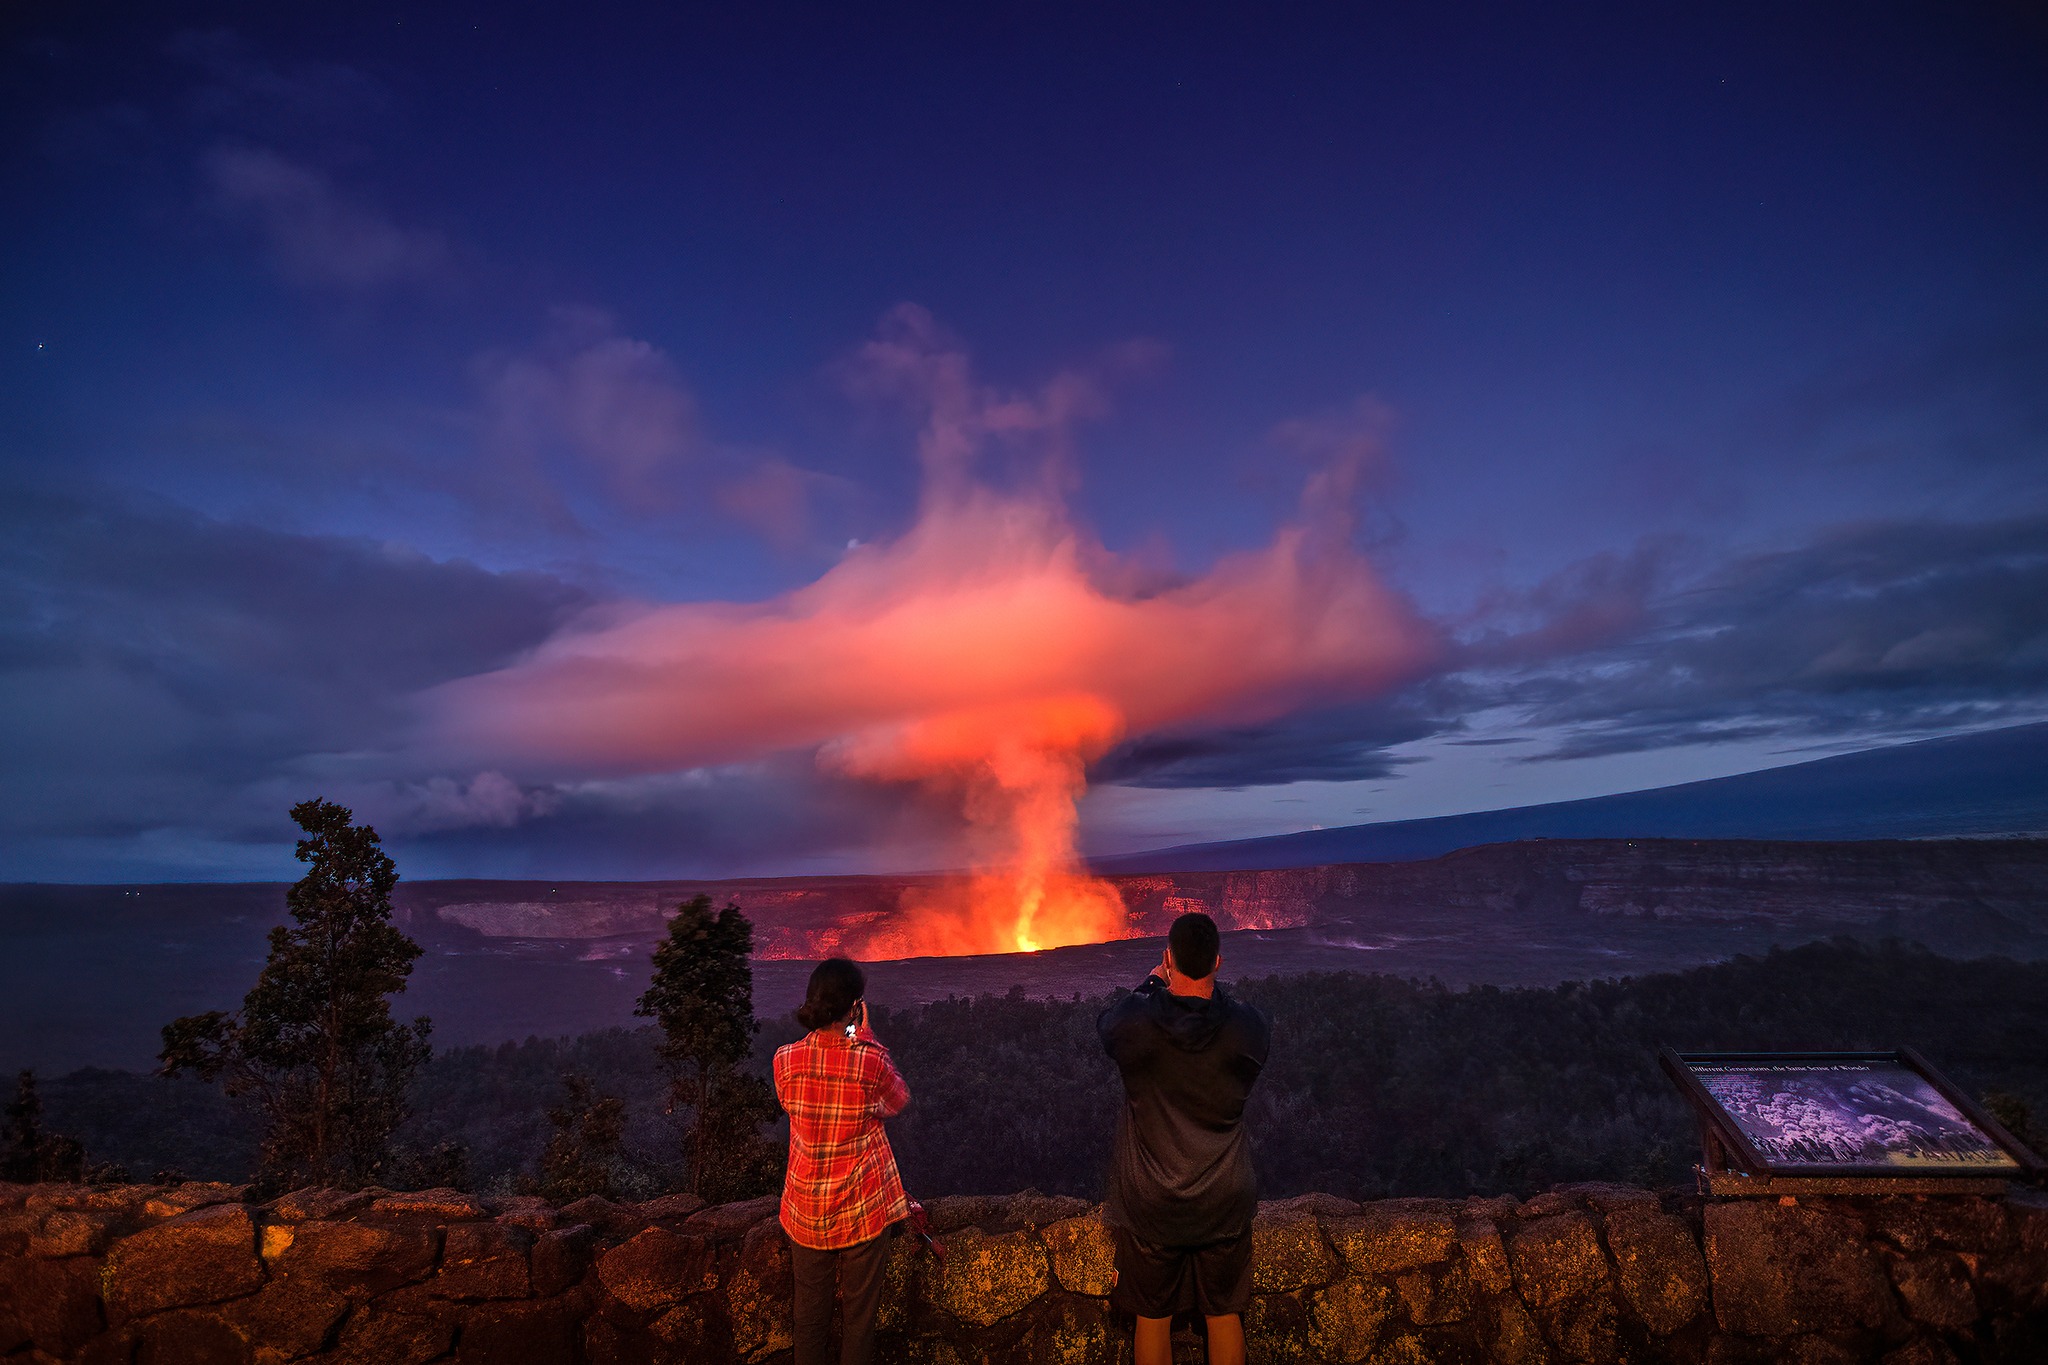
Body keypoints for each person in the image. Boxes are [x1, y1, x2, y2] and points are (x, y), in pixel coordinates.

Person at [1098, 912, 1271, 1365]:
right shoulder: (1247, 1029)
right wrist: (1210, 988)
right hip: (1224, 1197)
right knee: (1224, 1314)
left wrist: (1153, 985)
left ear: (1167, 959)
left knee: (1151, 1318)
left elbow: (1107, 1025)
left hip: (1154, 1201)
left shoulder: (1137, 1024)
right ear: (1218, 961)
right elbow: (1235, 1015)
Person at [774, 958, 911, 1365]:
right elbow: (897, 1101)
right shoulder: (868, 1061)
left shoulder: (785, 1060)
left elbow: (790, 1104)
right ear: (853, 1007)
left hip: (805, 1213)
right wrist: (861, 1034)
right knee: (859, 1322)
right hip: (861, 1211)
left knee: (809, 1319)